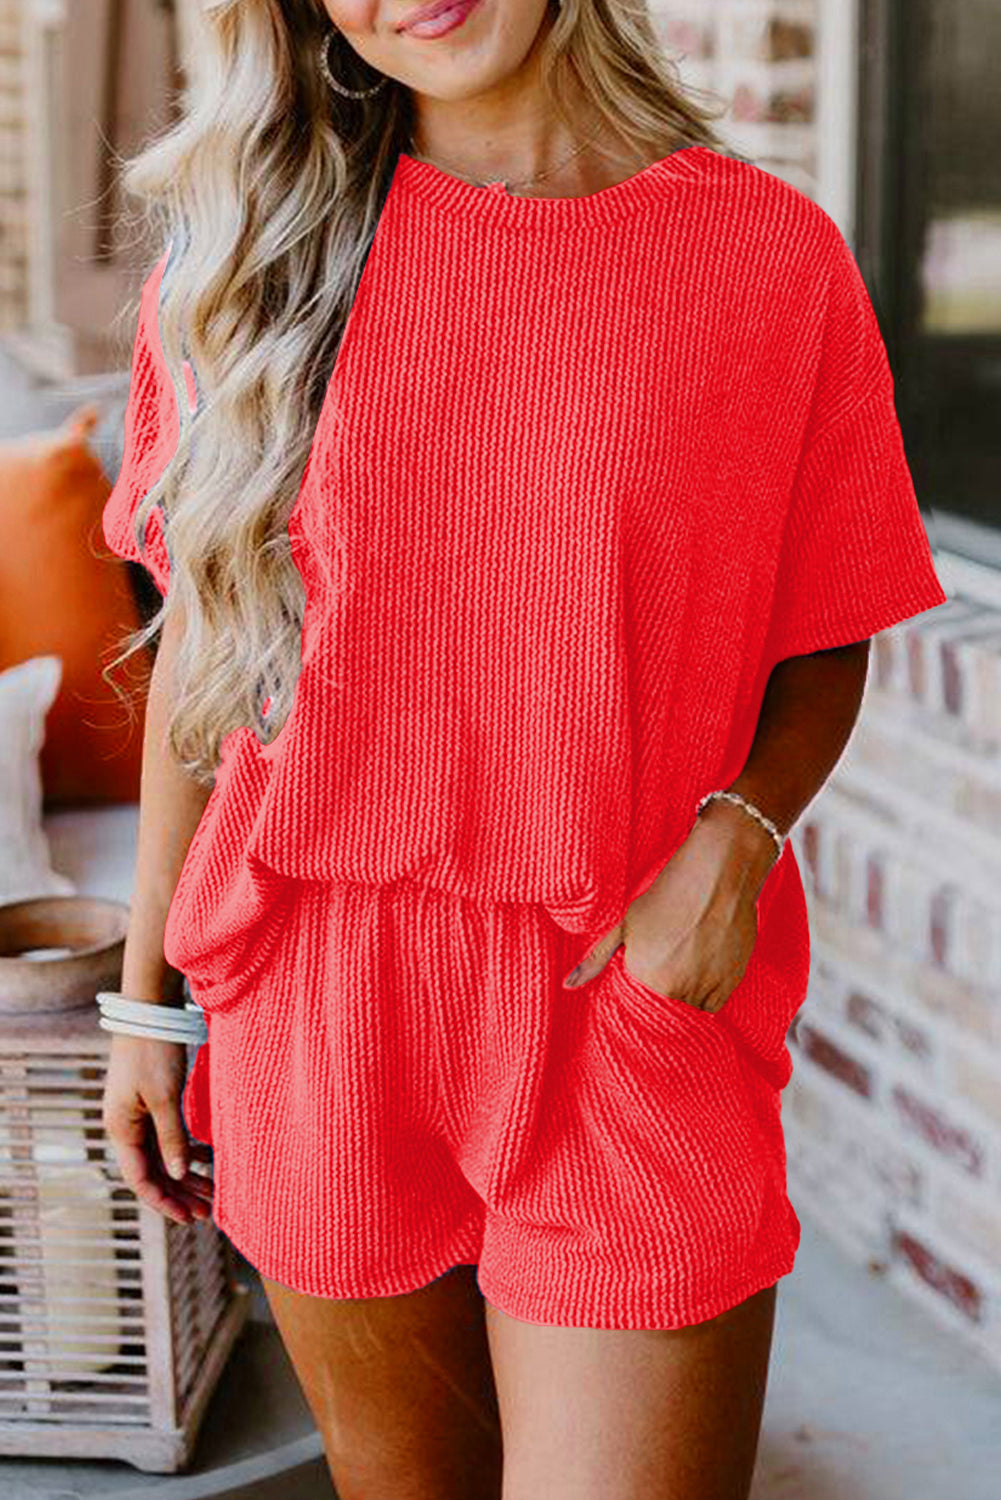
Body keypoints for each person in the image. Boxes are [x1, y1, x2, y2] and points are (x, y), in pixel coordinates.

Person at [98, 1, 950, 1496]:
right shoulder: (248, 267)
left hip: (620, 990)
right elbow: (204, 659)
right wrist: (145, 1007)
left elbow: (828, 612)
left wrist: (737, 840)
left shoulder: (765, 257)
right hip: (320, 1003)